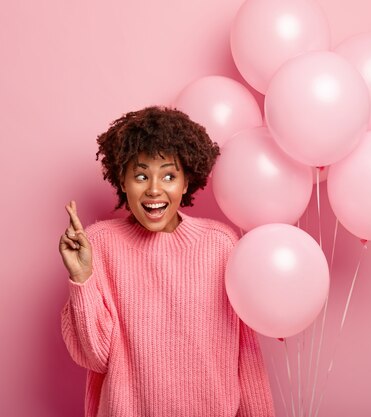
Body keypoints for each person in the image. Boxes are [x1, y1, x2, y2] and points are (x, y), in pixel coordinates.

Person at [59, 106, 275, 417]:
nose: (154, 189)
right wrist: (81, 276)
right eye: (141, 175)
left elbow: (246, 354)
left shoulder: (221, 245)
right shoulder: (99, 245)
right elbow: (95, 357)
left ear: (186, 182)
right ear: (122, 179)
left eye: (169, 175)